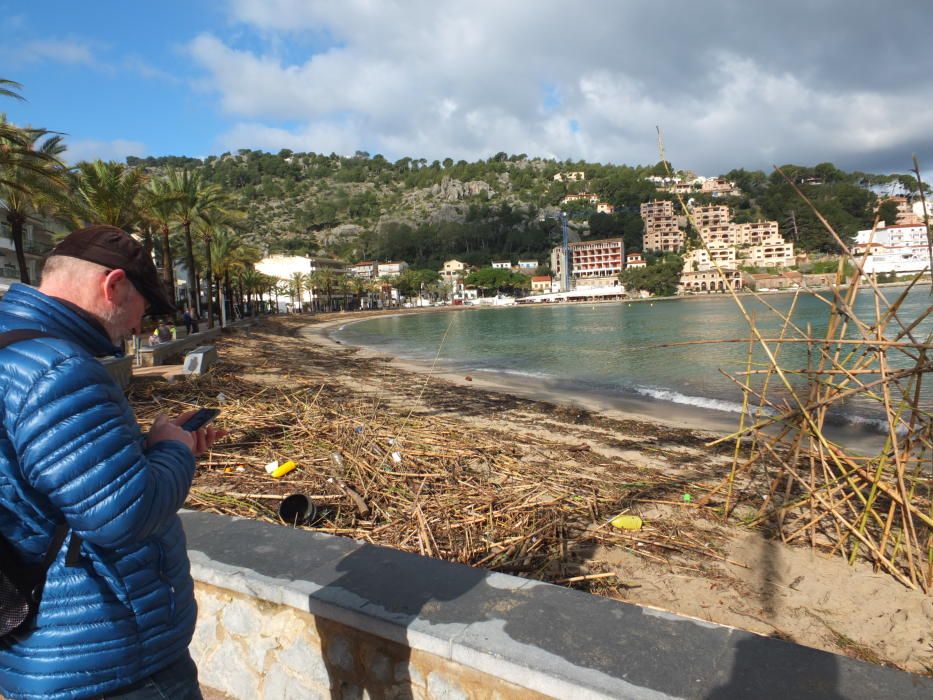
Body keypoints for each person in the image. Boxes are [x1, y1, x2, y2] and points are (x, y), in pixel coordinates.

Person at [0, 225, 221, 699]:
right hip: (108, 658)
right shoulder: (59, 370)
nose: (141, 326)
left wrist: (140, 452)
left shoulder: (12, 348)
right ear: (114, 285)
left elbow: (36, 484)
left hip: (40, 646)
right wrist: (171, 450)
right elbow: (124, 516)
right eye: (144, 307)